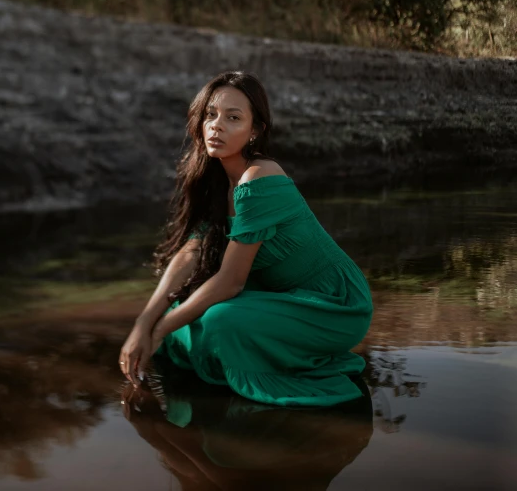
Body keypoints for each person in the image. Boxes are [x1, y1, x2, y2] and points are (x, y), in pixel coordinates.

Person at [119, 70, 374, 407]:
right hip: (281, 294)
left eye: (233, 117)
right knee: (186, 311)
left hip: (333, 303)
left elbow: (230, 282)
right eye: (211, 114)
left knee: (216, 320)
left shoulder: (259, 177)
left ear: (255, 132)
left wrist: (161, 328)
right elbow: (190, 253)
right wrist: (144, 322)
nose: (216, 125)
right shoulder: (219, 180)